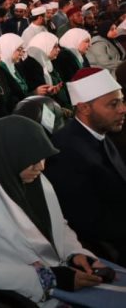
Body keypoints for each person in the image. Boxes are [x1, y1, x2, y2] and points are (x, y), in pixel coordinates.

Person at [0, 116, 105, 305]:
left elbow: (58, 225)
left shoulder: (28, 175)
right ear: (8, 157)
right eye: (32, 160)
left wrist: (74, 253)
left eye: (41, 158)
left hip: (63, 275)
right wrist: (49, 277)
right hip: (27, 295)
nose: (41, 167)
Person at [47, 67, 126, 264]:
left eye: (122, 101)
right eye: (113, 104)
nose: (123, 109)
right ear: (84, 108)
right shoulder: (65, 151)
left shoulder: (99, 132)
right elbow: (87, 222)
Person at [19, 32, 67, 107]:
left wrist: (52, 91)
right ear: (44, 47)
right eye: (54, 46)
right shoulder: (31, 65)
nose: (58, 49)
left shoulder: (47, 62)